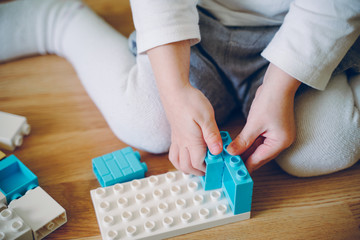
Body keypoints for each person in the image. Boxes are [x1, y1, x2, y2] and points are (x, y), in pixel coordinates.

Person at [1, 0, 359, 177]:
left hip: (300, 33)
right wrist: (174, 90)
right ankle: (58, 22)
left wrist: (280, 86)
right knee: (146, 123)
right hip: (196, 27)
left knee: (321, 149)